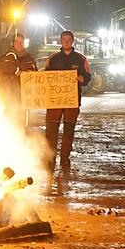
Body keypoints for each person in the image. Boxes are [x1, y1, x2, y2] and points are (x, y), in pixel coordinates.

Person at [45, 30, 91, 170]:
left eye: (68, 39)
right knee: (51, 130)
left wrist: (83, 79)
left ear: (73, 41)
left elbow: (88, 76)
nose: (66, 42)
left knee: (69, 130)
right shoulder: (52, 59)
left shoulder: (81, 59)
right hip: (54, 101)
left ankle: (65, 159)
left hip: (72, 100)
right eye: (63, 39)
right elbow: (45, 78)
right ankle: (50, 158)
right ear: (60, 41)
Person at [0, 32, 37, 126]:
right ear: (13, 43)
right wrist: (15, 71)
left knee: (23, 121)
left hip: (25, 95)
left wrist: (31, 73)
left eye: (21, 42)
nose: (19, 44)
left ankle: (22, 137)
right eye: (17, 42)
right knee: (9, 120)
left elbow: (35, 71)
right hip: (10, 95)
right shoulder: (7, 57)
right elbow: (1, 71)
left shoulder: (29, 58)